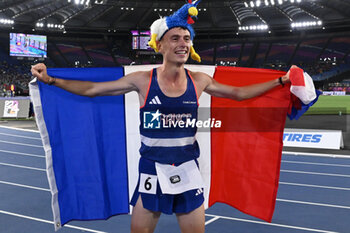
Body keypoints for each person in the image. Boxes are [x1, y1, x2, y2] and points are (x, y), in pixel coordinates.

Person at [31, 2, 292, 233]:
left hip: (188, 169)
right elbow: (92, 90)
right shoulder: (143, 80)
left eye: (187, 39)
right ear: (160, 44)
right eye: (175, 38)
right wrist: (51, 79)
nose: (183, 44)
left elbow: (238, 93)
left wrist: (281, 80)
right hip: (151, 170)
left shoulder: (199, 80)